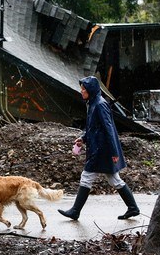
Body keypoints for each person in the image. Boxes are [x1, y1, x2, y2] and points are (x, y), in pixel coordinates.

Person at [58, 76, 140, 221]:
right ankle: (133, 208)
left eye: (84, 89)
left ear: (91, 90)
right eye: (82, 88)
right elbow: (93, 127)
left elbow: (109, 130)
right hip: (100, 149)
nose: (81, 91)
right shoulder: (93, 103)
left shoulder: (99, 105)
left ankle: (75, 211)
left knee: (87, 177)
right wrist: (83, 138)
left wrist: (115, 153)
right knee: (115, 180)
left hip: (102, 150)